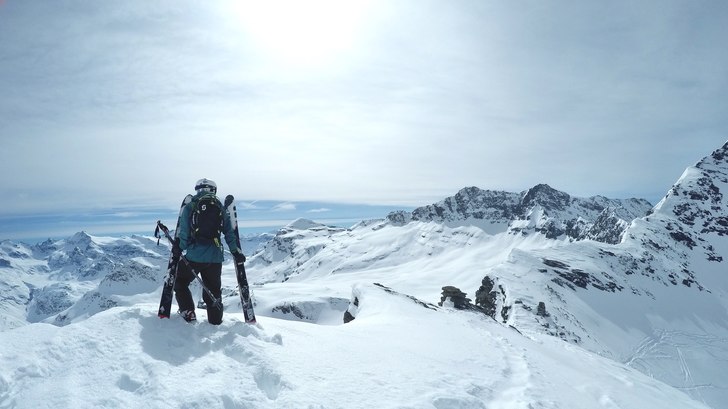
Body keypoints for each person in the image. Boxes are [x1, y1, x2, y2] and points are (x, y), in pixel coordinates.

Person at [173, 178, 244, 324]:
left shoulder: (191, 206)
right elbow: (229, 233)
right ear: (213, 190)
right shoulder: (219, 207)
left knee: (179, 281)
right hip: (215, 258)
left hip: (195, 256)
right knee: (213, 290)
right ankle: (215, 321)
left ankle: (188, 312)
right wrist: (235, 251)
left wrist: (179, 248)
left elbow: (184, 232)